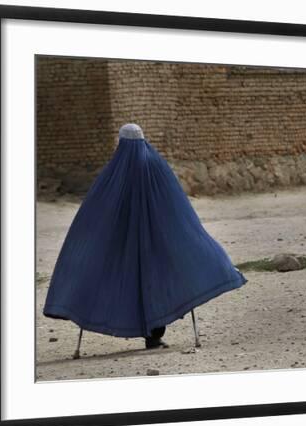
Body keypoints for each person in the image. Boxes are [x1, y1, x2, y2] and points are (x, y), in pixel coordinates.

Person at [43, 123, 247, 350]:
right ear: (143, 140)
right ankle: (154, 336)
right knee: (156, 283)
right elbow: (176, 205)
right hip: (158, 240)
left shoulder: (113, 172)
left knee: (126, 282)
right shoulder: (155, 164)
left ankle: (138, 329)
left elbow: (96, 212)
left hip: (122, 243)